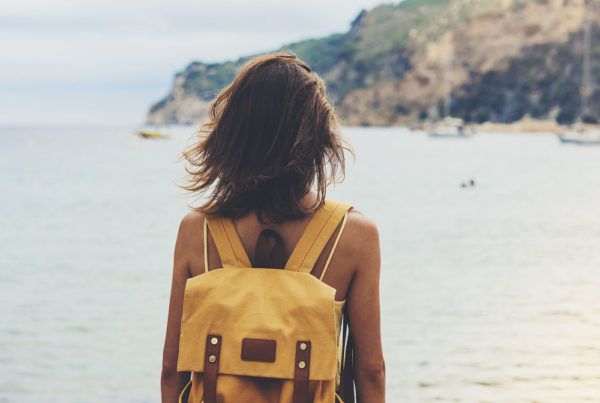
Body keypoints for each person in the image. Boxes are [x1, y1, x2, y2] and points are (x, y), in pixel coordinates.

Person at [161, 53, 385, 403]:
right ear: (317, 137)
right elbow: (370, 371)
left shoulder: (196, 230)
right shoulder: (354, 234)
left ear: (234, 133)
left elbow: (171, 371)